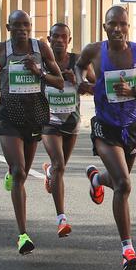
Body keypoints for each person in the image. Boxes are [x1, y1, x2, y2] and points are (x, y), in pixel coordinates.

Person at [76, 5, 136, 270]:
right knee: (124, 184)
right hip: (105, 126)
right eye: (112, 24)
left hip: (132, 127)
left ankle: (95, 178)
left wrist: (135, 90)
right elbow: (78, 67)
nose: (118, 29)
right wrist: (82, 81)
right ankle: (127, 249)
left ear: (128, 27)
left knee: (117, 182)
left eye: (122, 24)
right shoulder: (95, 50)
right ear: (105, 27)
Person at [0, 10, 64, 255]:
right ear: (8, 27)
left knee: (24, 171)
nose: (22, 29)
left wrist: (38, 71)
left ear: (31, 26)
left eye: (26, 25)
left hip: (34, 117)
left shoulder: (41, 48)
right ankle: (23, 235)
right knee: (20, 173)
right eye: (17, 25)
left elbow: (59, 82)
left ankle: (12, 171)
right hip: (9, 117)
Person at [39, 23, 95, 238]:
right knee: (59, 165)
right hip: (48, 120)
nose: (59, 40)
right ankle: (61, 218)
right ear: (49, 38)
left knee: (59, 168)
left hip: (71, 120)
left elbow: (95, 86)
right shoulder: (41, 60)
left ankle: (49, 173)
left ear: (69, 40)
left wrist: (79, 82)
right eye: (55, 36)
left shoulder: (77, 61)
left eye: (64, 37)